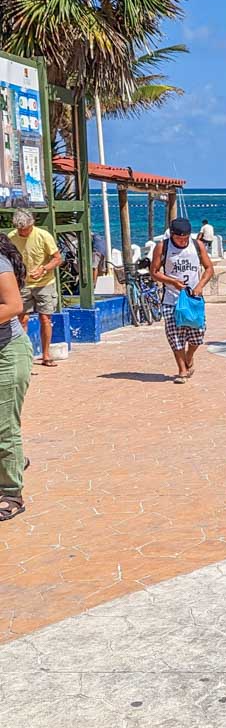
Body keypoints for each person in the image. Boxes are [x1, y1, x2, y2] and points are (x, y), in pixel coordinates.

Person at [150, 218, 214, 383]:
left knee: (197, 334)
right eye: (179, 238)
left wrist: (200, 286)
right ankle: (182, 370)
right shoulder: (162, 247)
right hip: (171, 299)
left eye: (185, 238)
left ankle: (189, 356)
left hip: (193, 299)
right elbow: (154, 272)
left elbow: (209, 268)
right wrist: (172, 282)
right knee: (175, 336)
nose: (183, 241)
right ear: (172, 235)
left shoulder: (197, 246)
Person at [0, 234, 32, 521]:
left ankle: (12, 493)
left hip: (8, 352)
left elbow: (13, 306)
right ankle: (16, 461)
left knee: (4, 426)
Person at [8, 209, 62, 368]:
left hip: (45, 283)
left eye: (25, 229)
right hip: (23, 284)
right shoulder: (11, 237)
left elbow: (58, 258)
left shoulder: (43, 236)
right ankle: (24, 358)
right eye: (19, 229)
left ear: (32, 224)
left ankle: (46, 355)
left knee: (45, 318)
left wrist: (44, 269)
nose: (22, 232)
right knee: (21, 319)